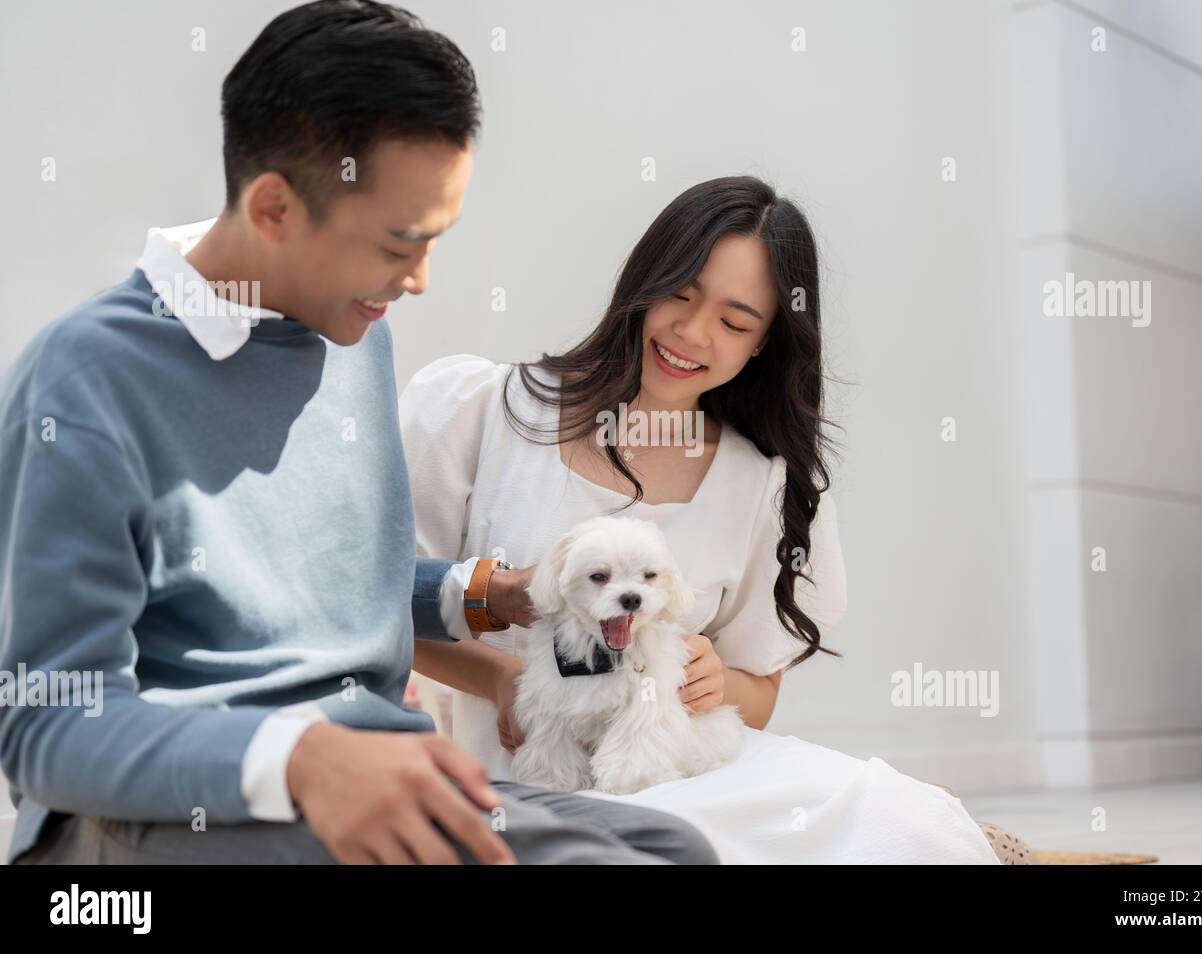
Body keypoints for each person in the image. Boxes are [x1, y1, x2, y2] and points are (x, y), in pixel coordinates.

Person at [0, 0, 717, 866]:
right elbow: (45, 724)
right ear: (273, 209)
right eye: (398, 243)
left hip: (370, 765)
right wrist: (300, 759)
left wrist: (488, 595)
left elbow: (316, 588)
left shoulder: (347, 325)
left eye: (435, 239)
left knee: (670, 848)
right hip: (150, 819)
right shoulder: (86, 382)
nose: (418, 279)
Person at [400, 175, 1003, 864]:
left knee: (903, 821)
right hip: (536, 768)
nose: (692, 333)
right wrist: (506, 681)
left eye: (735, 322)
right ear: (644, 280)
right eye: (680, 295)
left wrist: (719, 682)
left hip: (677, 763)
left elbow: (757, 692)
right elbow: (383, 601)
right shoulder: (486, 409)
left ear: (763, 344)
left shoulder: (759, 484)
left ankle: (957, 834)